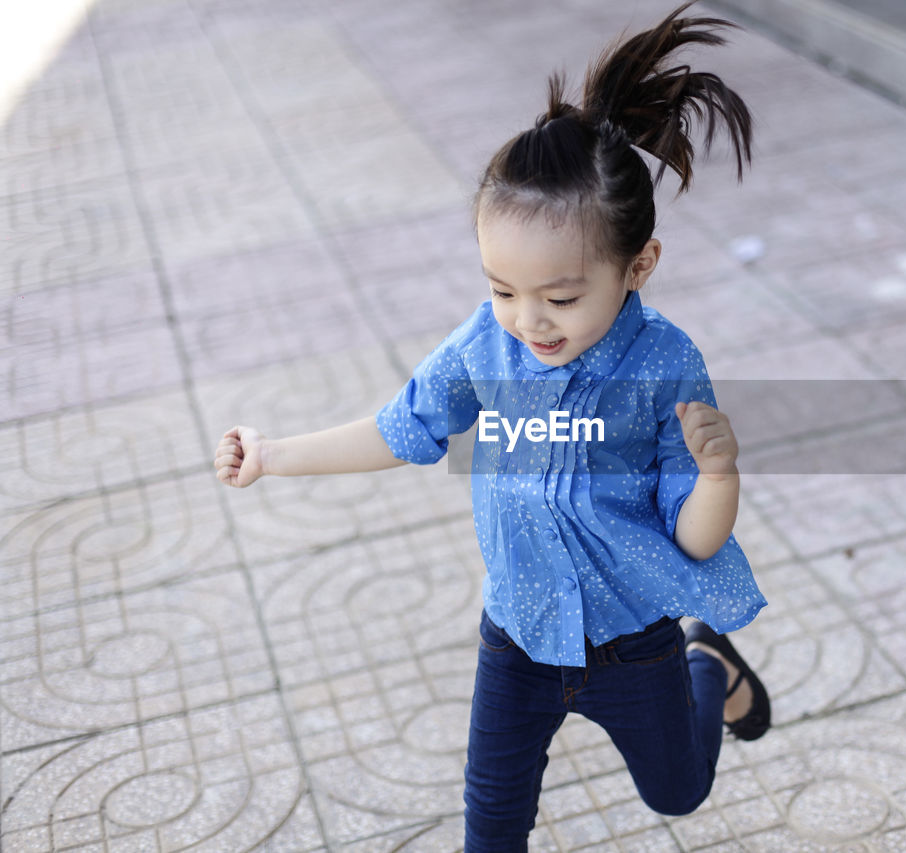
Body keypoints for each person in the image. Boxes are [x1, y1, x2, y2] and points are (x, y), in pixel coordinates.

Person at [212, 3, 769, 848]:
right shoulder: (485, 346)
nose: (529, 320)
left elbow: (694, 539)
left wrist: (719, 476)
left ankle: (706, 662)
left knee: (680, 792)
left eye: (561, 296)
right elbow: (402, 430)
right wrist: (273, 455)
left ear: (639, 265)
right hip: (517, 642)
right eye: (504, 289)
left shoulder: (664, 364)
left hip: (633, 644)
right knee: (492, 825)